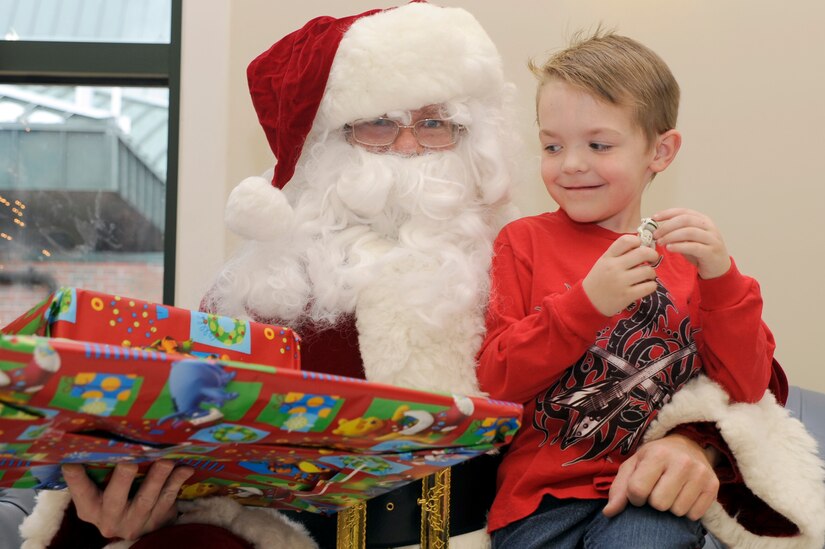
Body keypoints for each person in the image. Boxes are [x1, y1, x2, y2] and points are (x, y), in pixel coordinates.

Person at [17, 8, 825, 549]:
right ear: (319, 148)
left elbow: (725, 369)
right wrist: (100, 503)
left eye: (435, 122)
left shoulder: (515, 254)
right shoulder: (258, 291)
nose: (407, 148)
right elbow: (148, 419)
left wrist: (693, 442)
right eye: (375, 123)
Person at [477, 29, 824, 549]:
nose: (570, 163)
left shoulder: (687, 262)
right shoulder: (521, 242)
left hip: (654, 494)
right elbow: (494, 380)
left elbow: (748, 386)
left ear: (660, 151)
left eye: (598, 144)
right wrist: (585, 305)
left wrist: (724, 280)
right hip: (540, 500)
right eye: (552, 145)